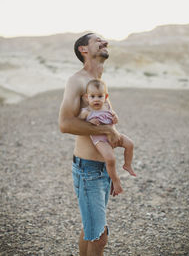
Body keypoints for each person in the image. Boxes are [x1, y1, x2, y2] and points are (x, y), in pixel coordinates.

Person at [59, 33, 134, 256]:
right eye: (97, 40)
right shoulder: (76, 81)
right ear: (83, 50)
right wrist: (106, 130)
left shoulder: (99, 83)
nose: (105, 42)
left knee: (90, 229)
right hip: (88, 171)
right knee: (99, 237)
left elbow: (106, 120)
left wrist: (117, 135)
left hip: (102, 170)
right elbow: (65, 124)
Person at [79, 78, 136, 195]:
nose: (96, 99)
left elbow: (114, 116)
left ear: (105, 97)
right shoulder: (87, 110)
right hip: (100, 140)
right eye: (92, 96)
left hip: (115, 134)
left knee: (130, 144)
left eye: (100, 96)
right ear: (86, 97)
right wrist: (89, 120)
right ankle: (116, 181)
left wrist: (116, 117)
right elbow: (79, 119)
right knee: (110, 159)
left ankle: (127, 164)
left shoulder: (107, 106)